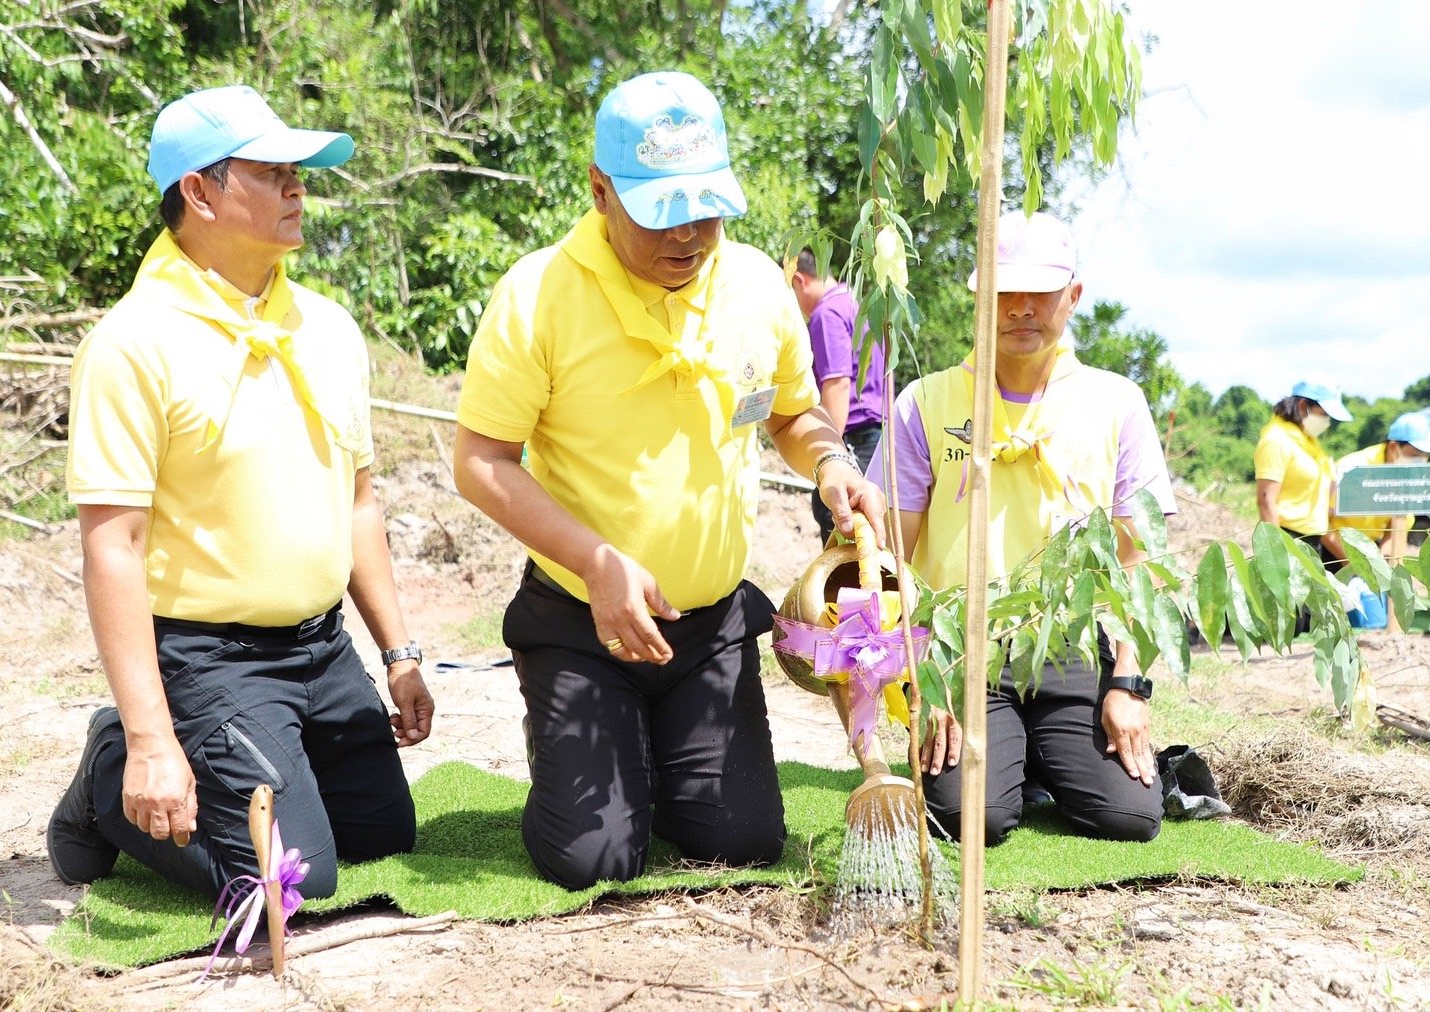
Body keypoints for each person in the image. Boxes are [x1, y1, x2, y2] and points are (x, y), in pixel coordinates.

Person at [453, 71, 887, 890]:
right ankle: (575, 744)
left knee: (745, 842)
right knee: (595, 858)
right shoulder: (538, 295)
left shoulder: (757, 287)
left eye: (707, 209)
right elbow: (480, 462)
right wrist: (594, 560)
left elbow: (792, 415)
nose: (689, 235)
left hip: (710, 628)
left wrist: (832, 463)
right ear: (599, 189)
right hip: (582, 622)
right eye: (662, 213)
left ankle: (648, 744)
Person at [49, 85, 434, 900]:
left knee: (381, 833)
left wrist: (398, 655)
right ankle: (111, 766)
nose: (299, 187)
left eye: (299, 171)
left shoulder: (327, 328)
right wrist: (154, 737)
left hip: (322, 648)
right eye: (274, 171)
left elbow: (357, 500)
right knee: (290, 882)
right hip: (210, 656)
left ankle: (248, 761)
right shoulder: (132, 343)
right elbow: (110, 546)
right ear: (198, 191)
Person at [867, 210, 1173, 845]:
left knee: (1129, 817)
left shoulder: (1117, 403)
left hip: (1071, 648)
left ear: (1074, 296)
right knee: (970, 818)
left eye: (1042, 291)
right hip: (962, 651)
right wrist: (925, 674)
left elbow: (1138, 566)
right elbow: (892, 555)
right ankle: (1011, 754)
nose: (1023, 308)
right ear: (980, 294)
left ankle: (1037, 751)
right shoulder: (924, 403)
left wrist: (1127, 684)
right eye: (1005, 290)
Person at [789, 248, 887, 544]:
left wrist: (832, 454)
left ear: (798, 281)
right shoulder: (855, 302)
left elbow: (838, 384)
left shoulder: (826, 312)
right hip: (877, 438)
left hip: (853, 441)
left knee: (845, 556)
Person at [1253, 378, 1353, 565]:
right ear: (1302, 406)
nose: (1326, 421)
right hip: (1287, 538)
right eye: (1323, 413)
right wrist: (1276, 557)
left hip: (1312, 540)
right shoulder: (1276, 441)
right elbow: (1266, 501)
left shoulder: (1308, 443)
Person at [1333, 411, 1430, 549]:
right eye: (1416, 454)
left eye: (1426, 456)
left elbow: (1398, 526)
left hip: (1370, 550)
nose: (1421, 461)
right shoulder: (1352, 469)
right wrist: (1348, 563)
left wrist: (1382, 560)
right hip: (1336, 551)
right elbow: (1321, 522)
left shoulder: (1407, 476)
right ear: (1393, 447)